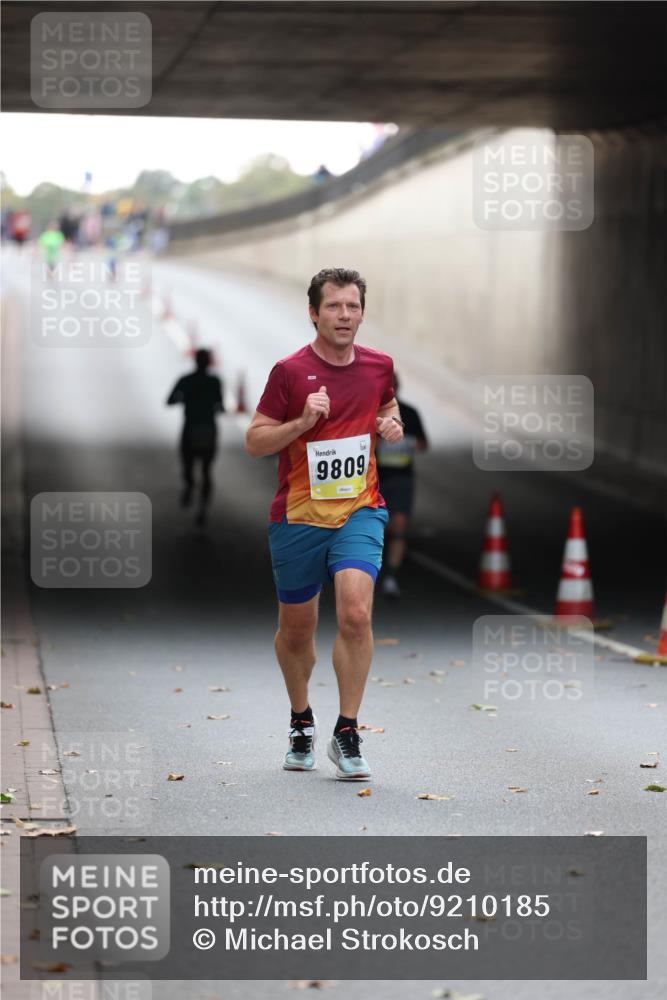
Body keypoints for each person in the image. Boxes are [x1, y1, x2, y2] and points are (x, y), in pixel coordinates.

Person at [245, 267, 404, 780]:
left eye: (352, 306)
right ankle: (300, 719)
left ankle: (348, 731)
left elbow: (386, 403)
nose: (344, 315)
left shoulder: (380, 366)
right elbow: (255, 440)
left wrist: (391, 424)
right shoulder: (289, 372)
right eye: (333, 306)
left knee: (356, 613)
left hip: (361, 509)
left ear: (362, 311)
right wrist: (301, 424)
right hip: (298, 516)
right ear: (314, 312)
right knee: (297, 630)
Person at [376, 372, 428, 598]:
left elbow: (424, 444)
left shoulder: (410, 413)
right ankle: (370, 573)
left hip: (401, 478)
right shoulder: (371, 413)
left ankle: (391, 576)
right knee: (376, 529)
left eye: (394, 386)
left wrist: (409, 443)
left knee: (399, 526)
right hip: (373, 479)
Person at [167, 349, 224, 526]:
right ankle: (203, 509)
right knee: (206, 470)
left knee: (188, 465)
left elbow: (169, 400)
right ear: (209, 362)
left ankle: (189, 486)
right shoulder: (214, 381)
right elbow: (220, 406)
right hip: (208, 428)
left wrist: (184, 399)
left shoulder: (186, 380)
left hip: (190, 428)